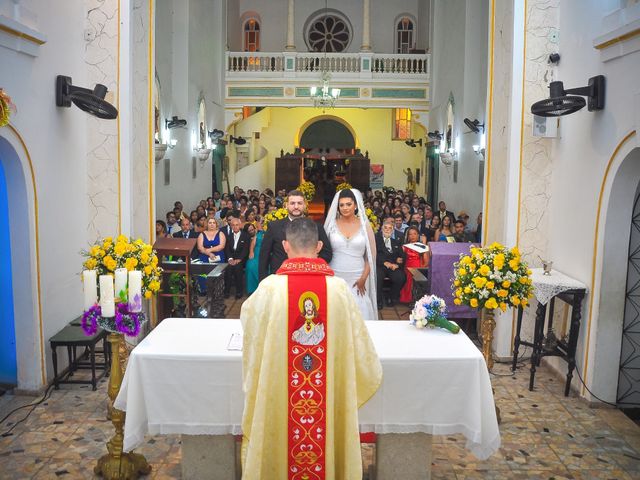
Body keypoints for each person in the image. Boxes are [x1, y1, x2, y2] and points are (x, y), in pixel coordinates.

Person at [240, 218, 382, 479]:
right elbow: (358, 347)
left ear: (285, 246)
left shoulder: (269, 289)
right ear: (318, 246)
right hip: (324, 395)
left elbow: (251, 331)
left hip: (282, 394)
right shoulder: (339, 290)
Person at [324, 189, 378, 320]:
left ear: (355, 205)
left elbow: (371, 254)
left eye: (348, 204)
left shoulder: (365, 225)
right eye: (341, 205)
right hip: (335, 275)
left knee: (358, 312)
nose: (345, 208)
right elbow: (323, 250)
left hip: (357, 276)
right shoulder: (331, 225)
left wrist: (364, 277)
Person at [258, 190, 332, 280]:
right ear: (286, 206)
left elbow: (327, 253)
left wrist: (309, 263)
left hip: (308, 278)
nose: (296, 207)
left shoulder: (316, 227)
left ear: (304, 205)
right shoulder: (274, 227)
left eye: (299, 203)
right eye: (292, 203)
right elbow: (264, 256)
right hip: (281, 279)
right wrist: (263, 282)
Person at [375, 218, 406, 309]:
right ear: (382, 229)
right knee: (378, 277)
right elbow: (374, 254)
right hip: (380, 265)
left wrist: (397, 264)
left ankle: (391, 297)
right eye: (385, 228)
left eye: (390, 228)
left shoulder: (396, 242)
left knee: (401, 277)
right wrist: (384, 262)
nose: (387, 230)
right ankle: (378, 300)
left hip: (393, 266)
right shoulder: (376, 240)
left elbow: (402, 256)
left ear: (392, 230)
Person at [399, 226, 429, 303]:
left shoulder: (422, 246)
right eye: (410, 234)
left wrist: (421, 270)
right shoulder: (404, 247)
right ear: (408, 236)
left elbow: (426, 262)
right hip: (407, 267)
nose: (412, 236)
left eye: (414, 234)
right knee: (409, 276)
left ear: (418, 235)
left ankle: (416, 299)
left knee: (417, 276)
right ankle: (409, 299)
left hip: (419, 267)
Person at [224, 217, 250, 299]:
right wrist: (230, 259)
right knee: (228, 269)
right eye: (233, 225)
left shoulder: (246, 236)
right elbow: (227, 249)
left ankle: (239, 292)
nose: (235, 227)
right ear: (231, 226)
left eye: (237, 225)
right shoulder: (228, 236)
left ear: (240, 225)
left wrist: (239, 259)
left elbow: (246, 250)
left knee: (238, 268)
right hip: (231, 259)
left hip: (241, 258)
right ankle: (227, 291)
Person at [244, 218, 264, 295]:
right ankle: (252, 289)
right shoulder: (256, 235)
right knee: (250, 266)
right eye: (250, 230)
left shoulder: (264, 233)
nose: (252, 231)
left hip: (264, 253)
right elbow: (252, 244)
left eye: (253, 229)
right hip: (256, 253)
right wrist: (251, 252)